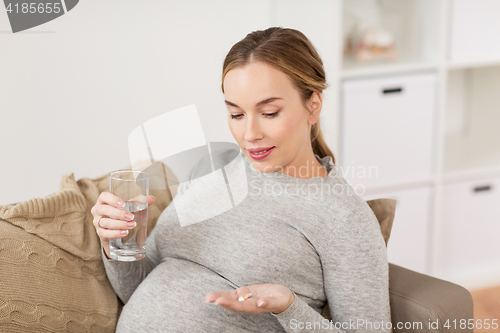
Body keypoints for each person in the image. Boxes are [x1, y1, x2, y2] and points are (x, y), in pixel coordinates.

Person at [91, 27, 392, 332]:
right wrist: (116, 242)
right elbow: (137, 289)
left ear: (313, 105)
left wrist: (289, 307)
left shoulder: (345, 217)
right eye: (236, 115)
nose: (250, 135)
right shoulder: (212, 167)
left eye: (269, 113)